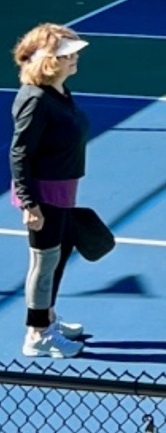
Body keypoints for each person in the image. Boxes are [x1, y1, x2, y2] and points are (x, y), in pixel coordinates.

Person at [10, 24, 92, 358]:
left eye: (73, 52)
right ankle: (38, 335)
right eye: (66, 55)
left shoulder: (59, 91)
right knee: (44, 263)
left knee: (56, 259)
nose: (74, 58)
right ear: (48, 61)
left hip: (62, 189)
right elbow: (20, 154)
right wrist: (30, 205)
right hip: (43, 195)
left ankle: (47, 317)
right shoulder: (36, 101)